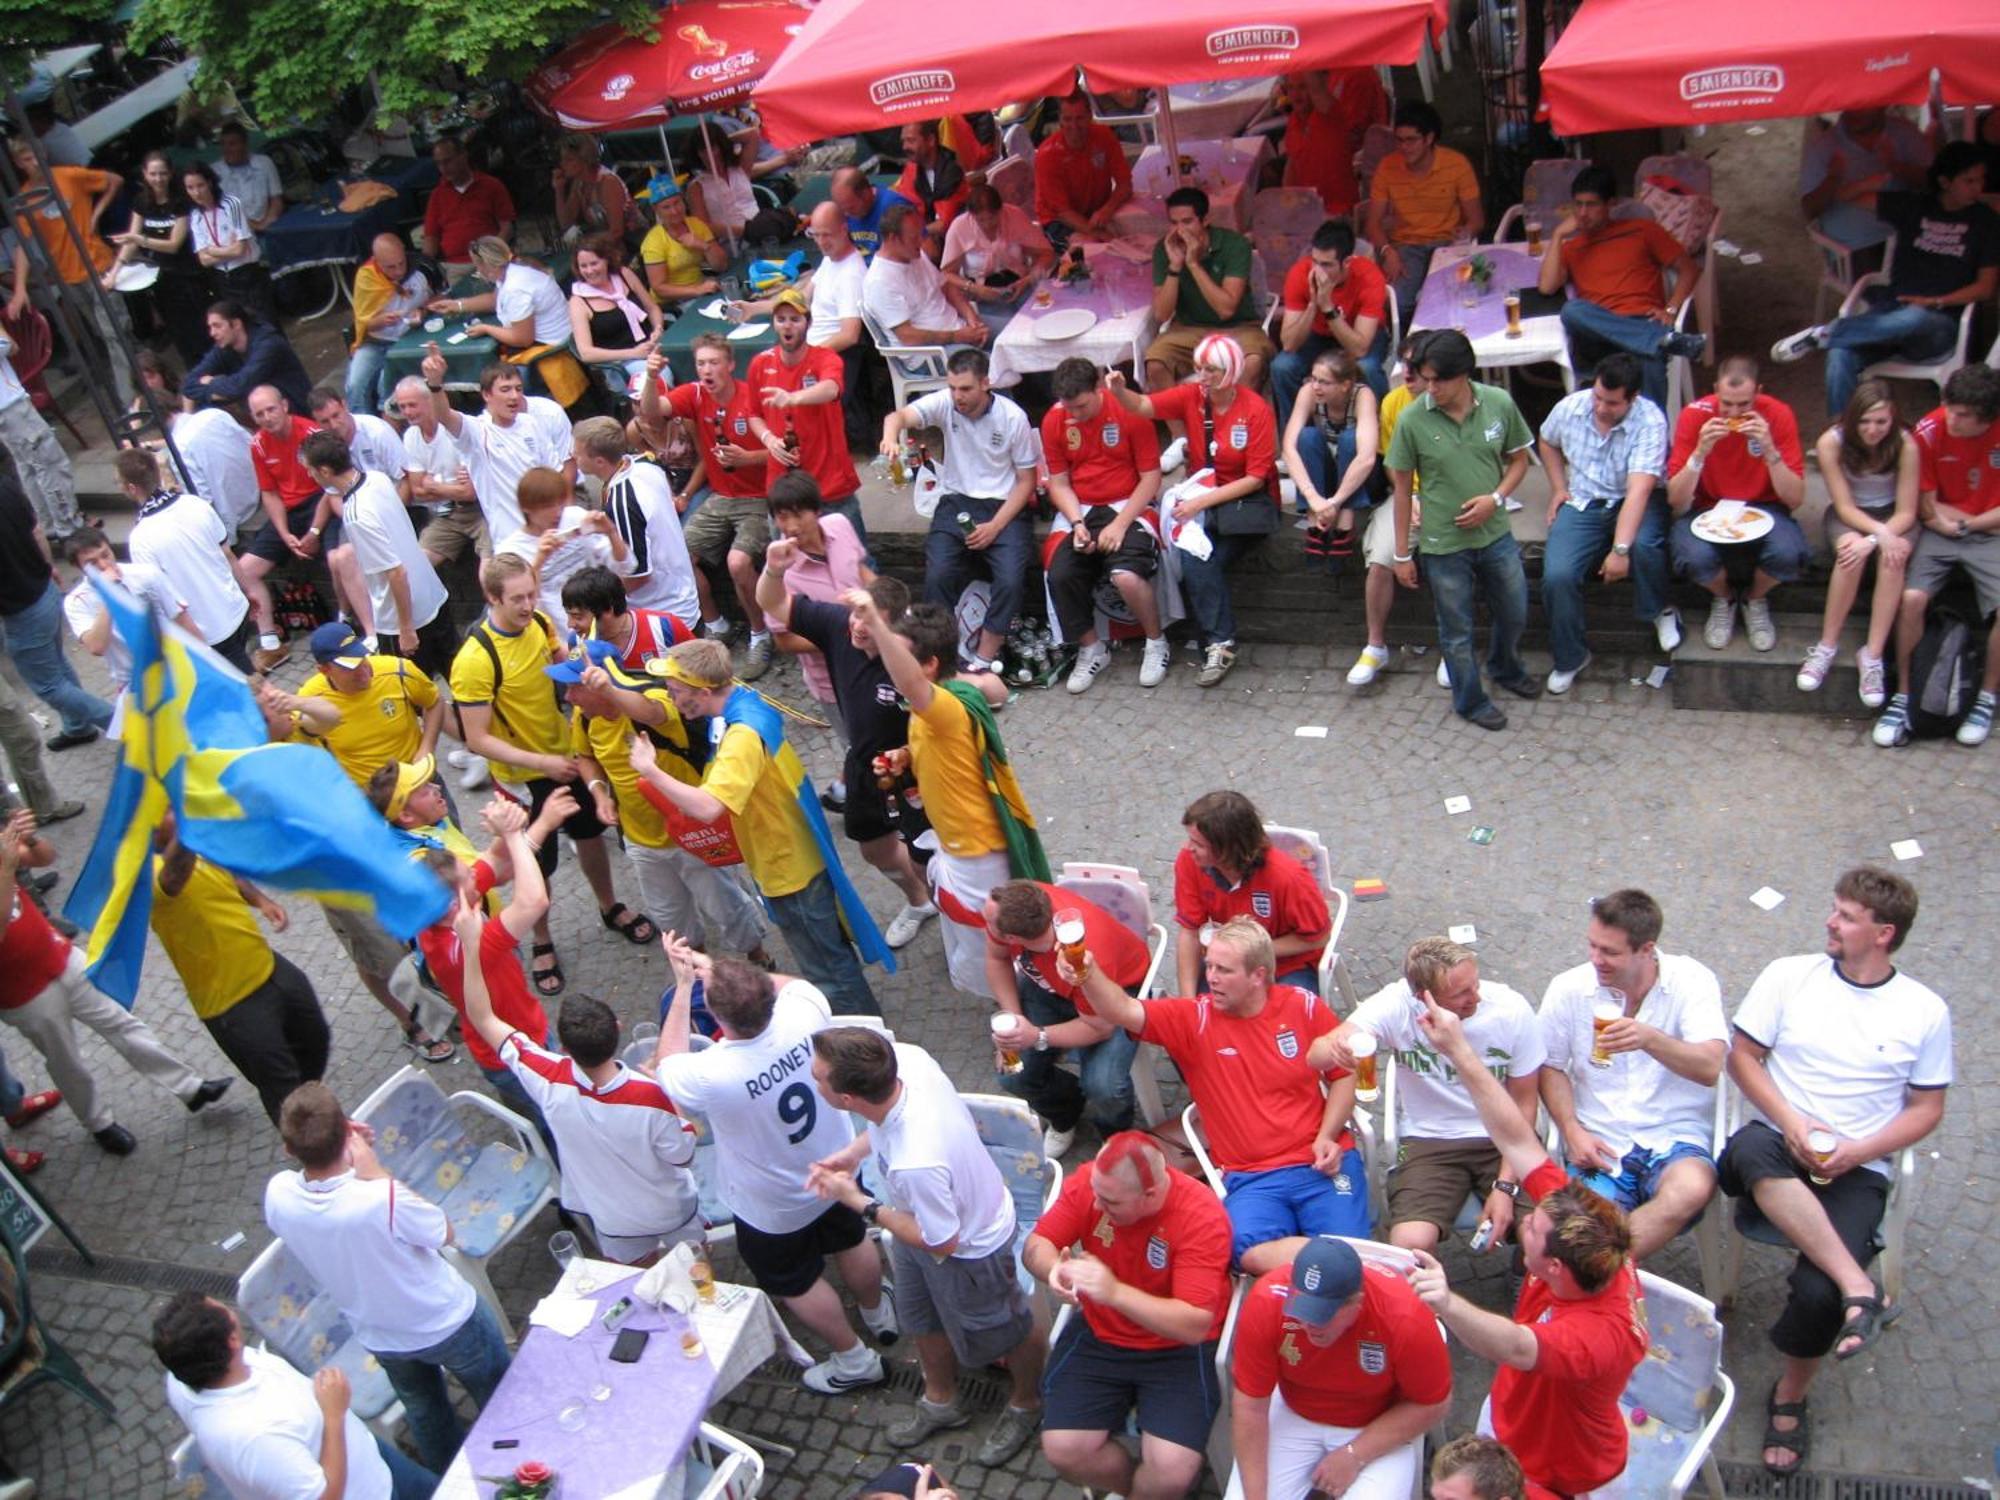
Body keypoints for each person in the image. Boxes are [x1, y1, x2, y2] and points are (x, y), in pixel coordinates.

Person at [1719, 867, 1950, 1476]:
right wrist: (1792, 1123)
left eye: (1846, 916)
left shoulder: (1924, 1010)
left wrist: (1858, 1148)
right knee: (1748, 1151)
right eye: (1835, 909)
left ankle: (1790, 1395)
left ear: (1883, 933)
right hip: (1777, 1139)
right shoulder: (1789, 975)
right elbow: (1742, 1057)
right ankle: (1860, 1285)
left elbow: (1928, 1107)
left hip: (1856, 1164)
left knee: (1817, 1293)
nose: (1830, 921)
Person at [1403, 994, 1647, 1500]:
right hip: (1512, 1424)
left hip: (1565, 1473)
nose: (1527, 1216)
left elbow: (1516, 1345)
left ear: (1554, 1267)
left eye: (1532, 1230)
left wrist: (1445, 1302)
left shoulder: (1599, 1337)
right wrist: (1458, 1050)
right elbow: (1516, 1137)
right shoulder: (1577, 1226)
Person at [652, 947, 898, 1392]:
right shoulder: (805, 1012)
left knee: (795, 1280)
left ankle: (853, 1358)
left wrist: (688, 984)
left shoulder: (712, 1072)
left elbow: (665, 1062)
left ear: (716, 1015)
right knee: (852, 1236)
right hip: (836, 1165)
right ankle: (877, 1310)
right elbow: (790, 985)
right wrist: (719, 971)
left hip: (772, 1203)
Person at [807, 1026, 1047, 1465]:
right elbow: (882, 1122)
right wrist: (854, 1154)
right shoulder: (905, 1061)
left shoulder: (917, 1161)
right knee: (921, 1317)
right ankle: (942, 1401)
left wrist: (857, 1201)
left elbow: (944, 1240)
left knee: (1012, 1327)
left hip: (970, 1248)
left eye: (819, 1076)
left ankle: (1026, 1403)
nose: (811, 1075)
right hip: (917, 1226)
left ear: (846, 1099)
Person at [1072, 917, 1367, 1270]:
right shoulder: (1193, 1020)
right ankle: (1327, 1262)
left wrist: (1328, 1135)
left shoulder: (1303, 1006)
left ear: (1258, 976)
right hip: (1252, 1179)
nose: (1210, 977)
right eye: (1208, 964)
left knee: (1347, 1255)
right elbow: (1121, 1009)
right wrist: (1087, 975)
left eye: (1224, 970)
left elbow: (1343, 1075)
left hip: (1321, 1164)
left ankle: (1326, 1265)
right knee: (1244, 1253)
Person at [265, 1081, 513, 1475]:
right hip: (447, 1321)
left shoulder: (278, 1195)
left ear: (289, 1149)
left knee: (426, 1413)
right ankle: (521, 1462)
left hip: (380, 1333)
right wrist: (375, 1173)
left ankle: (450, 1479)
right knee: (503, 1395)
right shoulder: (379, 1197)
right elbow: (443, 1231)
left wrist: (346, 1160)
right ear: (346, 1132)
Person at [640, 636, 885, 1014]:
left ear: (704, 693)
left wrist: (649, 770)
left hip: (787, 867)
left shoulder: (741, 738)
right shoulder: (741, 701)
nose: (670, 698)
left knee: (826, 968)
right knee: (830, 951)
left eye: (675, 690)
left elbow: (707, 807)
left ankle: (862, 1038)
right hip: (793, 852)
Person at [457, 888, 699, 1262]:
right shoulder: (651, 1096)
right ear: (618, 1028)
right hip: (669, 1211)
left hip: (610, 1216)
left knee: (641, 1275)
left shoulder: (544, 1075)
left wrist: (470, 948)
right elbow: (682, 1156)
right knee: (697, 1267)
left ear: (565, 1049)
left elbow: (482, 1017)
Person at [453, 552, 652, 971]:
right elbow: (477, 738)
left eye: (532, 594)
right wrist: (541, 763)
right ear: (491, 598)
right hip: (525, 775)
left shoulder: (540, 623)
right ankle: (542, 939)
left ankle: (608, 904)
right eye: (517, 599)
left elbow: (564, 667)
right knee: (535, 858)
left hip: (564, 756)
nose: (528, 605)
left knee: (590, 834)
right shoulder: (474, 660)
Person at [0, 807, 230, 1153]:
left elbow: (45, 857)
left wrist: (29, 839)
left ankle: (190, 1088)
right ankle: (98, 1123)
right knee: (66, 1060)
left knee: (121, 1021)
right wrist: (5, 866)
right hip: (23, 993)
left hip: (60, 957)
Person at [849, 591, 1045, 995]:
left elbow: (910, 685)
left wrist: (875, 620)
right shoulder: (939, 705)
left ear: (929, 665)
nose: (890, 667)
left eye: (899, 657)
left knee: (987, 949)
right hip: (954, 842)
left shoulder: (942, 708)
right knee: (968, 934)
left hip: (974, 853)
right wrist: (906, 755)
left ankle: (1016, 1014)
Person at [1024, 1133, 1233, 1499]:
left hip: (1177, 1350)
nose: (1099, 1205)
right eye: (1097, 1194)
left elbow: (1194, 1323)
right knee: (1063, 1450)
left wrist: (1115, 1293)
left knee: (1171, 1472)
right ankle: (1127, 1488)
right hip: (1101, 1334)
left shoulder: (1201, 1216)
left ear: (1151, 1194)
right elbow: (1037, 1245)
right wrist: (1051, 1270)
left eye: (1112, 1202)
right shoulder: (1094, 1184)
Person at [1317, 936, 1543, 1253]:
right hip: (1428, 1140)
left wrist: (1505, 1187)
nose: (1476, 997)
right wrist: (1336, 1049)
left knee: (1549, 1235)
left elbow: (1525, 1103)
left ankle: (1527, 1280)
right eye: (1461, 993)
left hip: (1503, 1135)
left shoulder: (1510, 1009)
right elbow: (1316, 1054)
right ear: (1424, 999)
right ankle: (1428, 1301)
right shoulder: (1397, 1003)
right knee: (1409, 1244)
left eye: (1475, 983)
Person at [753, 567, 940, 950]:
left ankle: (952, 904)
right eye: (857, 615)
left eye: (870, 621)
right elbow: (771, 602)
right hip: (865, 766)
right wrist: (773, 567)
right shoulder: (840, 625)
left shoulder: (914, 652)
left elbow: (951, 699)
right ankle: (921, 902)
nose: (858, 627)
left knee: (933, 850)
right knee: (875, 850)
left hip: (919, 771)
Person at [1539, 889, 1727, 1261]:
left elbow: (1709, 1067)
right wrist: (1572, 1130)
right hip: (1601, 1138)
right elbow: (1549, 1066)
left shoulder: (1690, 981)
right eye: (1592, 946)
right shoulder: (1570, 988)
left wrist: (1651, 1039)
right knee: (1574, 1227)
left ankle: (1600, 1270)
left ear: (1646, 949)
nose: (1596, 959)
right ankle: (1596, 1273)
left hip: (1673, 1135)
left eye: (1609, 952)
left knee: (1690, 1189)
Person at [554, 642, 771, 965]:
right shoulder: (586, 719)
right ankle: (698, 973)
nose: (568, 697)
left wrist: (611, 690)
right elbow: (585, 757)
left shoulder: (655, 701)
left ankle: (758, 959)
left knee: (727, 906)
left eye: (575, 688)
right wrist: (599, 792)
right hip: (642, 842)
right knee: (672, 917)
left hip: (695, 835)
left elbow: (651, 713)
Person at [1385, 328, 1539, 729]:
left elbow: (1520, 460)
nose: (1429, 387)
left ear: (1464, 374)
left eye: (1439, 379)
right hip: (1442, 542)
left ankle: (1505, 667)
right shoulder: (1412, 419)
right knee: (1455, 629)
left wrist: (1496, 498)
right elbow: (1402, 490)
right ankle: (1469, 700)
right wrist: (1402, 553)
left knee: (1515, 610)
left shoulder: (1499, 404)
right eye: (1425, 378)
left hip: (1496, 534)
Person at [1772, 144, 1996, 415]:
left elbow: (1985, 288)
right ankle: (1842, 437)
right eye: (1969, 181)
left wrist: (1935, 301)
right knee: (1841, 354)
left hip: (1937, 324)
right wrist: (1873, 180)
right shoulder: (1915, 206)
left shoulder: (1986, 222)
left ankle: (1824, 334)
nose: (1978, 188)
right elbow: (1845, 196)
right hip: (1888, 315)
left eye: (1981, 180)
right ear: (1945, 182)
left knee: (1914, 316)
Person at [1107, 335, 1279, 687]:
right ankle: (1218, 641)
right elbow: (1143, 407)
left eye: (1211, 370)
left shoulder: (1255, 410)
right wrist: (1120, 391)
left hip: (1240, 504)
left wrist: (1200, 503)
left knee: (1202, 557)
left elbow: (1255, 478)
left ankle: (1217, 641)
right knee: (1195, 555)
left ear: (1230, 371)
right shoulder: (1192, 398)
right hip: (1204, 497)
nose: (1202, 376)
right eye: (1199, 368)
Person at [1230, 1236, 1453, 1500]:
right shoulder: (1268, 1299)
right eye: (1302, 1308)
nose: (1309, 1323)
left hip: (1377, 1421)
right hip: (1294, 1410)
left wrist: (1355, 1454)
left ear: (1355, 1303)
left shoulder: (1405, 1316)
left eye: (1323, 1314)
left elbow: (1433, 1403)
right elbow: (1250, 1405)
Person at [154, 1292, 433, 1500]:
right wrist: (333, 1415)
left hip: (369, 1457)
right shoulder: (256, 1440)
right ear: (232, 1340)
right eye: (225, 1310)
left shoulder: (186, 1374)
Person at [149, 812, 329, 1126]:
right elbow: (175, 877)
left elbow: (227, 870)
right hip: (232, 1004)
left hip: (269, 967)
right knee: (281, 1089)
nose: (175, 813)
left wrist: (260, 901)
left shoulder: (195, 842)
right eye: (166, 811)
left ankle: (310, 1099)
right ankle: (312, 1145)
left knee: (316, 1037)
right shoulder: (143, 875)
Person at [407, 792, 570, 1131]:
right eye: (467, 876)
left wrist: (511, 824)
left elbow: (496, 860)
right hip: (515, 1052)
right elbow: (533, 901)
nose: (473, 871)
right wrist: (514, 835)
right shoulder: (466, 943)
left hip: (517, 1035)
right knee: (556, 1122)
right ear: (456, 902)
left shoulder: (437, 913)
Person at [882, 348, 1038, 671]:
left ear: (985, 383)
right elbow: (896, 417)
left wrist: (995, 526)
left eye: (965, 388)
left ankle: (983, 659)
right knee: (938, 575)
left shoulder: (1013, 418)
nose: (957, 396)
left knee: (1010, 580)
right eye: (952, 387)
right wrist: (890, 439)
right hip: (956, 500)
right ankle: (940, 654)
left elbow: (1026, 482)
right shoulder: (945, 403)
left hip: (1004, 505)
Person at [1874, 364, 2000, 748]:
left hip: (1985, 533)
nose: (1951, 418)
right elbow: (1927, 507)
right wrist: (1972, 522)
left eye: (1962, 414)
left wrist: (1972, 525)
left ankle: (1986, 698)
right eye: (1949, 407)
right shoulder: (1929, 431)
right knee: (1911, 599)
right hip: (1943, 530)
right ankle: (1903, 696)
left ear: (1986, 418)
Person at [1535, 352, 1676, 693]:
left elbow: (1640, 491)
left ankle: (1659, 610)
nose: (1601, 407)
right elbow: (1547, 441)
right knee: (1557, 575)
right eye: (1598, 396)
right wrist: (1558, 487)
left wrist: (1620, 550)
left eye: (1612, 403)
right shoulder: (1572, 407)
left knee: (1645, 544)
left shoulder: (1651, 421)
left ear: (1633, 398)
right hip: (1584, 500)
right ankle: (1571, 656)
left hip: (1633, 498)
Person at [981, 879, 1148, 1158]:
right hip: (1049, 987)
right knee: (1014, 1075)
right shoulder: (1015, 901)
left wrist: (1036, 1036)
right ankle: (1065, 1111)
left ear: (1013, 938)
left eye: (987, 921)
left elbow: (1100, 1028)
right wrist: (1014, 1017)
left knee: (1103, 1087)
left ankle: (1115, 1135)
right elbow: (996, 959)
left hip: (1117, 994)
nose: (982, 920)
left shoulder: (1081, 956)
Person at [1664, 356, 1810, 651]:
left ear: (1758, 392)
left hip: (1766, 506)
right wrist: (1700, 453)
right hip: (1709, 506)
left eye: (1744, 405)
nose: (1734, 413)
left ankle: (1754, 599)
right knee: (1690, 556)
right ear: (1716, 389)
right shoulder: (1695, 415)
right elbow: (1676, 500)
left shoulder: (1779, 415)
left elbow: (1794, 498)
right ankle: (1725, 598)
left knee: (1790, 554)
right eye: (1727, 403)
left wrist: (1769, 449)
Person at [1043, 356, 1168, 693]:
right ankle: (1090, 647)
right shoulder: (1055, 420)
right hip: (1081, 507)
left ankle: (1156, 642)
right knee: (1060, 573)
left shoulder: (1128, 410)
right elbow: (1059, 482)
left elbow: (1151, 478)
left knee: (1126, 575)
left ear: (1099, 389)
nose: (1075, 416)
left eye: (1082, 406)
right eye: (1069, 408)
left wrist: (1121, 524)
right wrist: (1077, 523)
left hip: (1128, 503)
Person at [1539, 165, 1706, 409]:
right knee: (1572, 311)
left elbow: (1689, 269)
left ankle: (1656, 444)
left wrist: (1671, 310)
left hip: (1644, 320)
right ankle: (1662, 340)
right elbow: (1546, 287)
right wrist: (1556, 236)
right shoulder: (1571, 247)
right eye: (1578, 205)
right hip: (1598, 334)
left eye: (1592, 204)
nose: (1583, 213)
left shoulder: (1642, 230)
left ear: (1611, 204)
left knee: (1648, 359)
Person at [656, 334, 776, 668]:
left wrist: (747, 458)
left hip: (758, 497)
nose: (707, 370)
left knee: (738, 563)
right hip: (721, 497)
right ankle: (716, 623)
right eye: (701, 363)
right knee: (678, 554)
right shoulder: (694, 394)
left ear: (730, 364)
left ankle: (760, 634)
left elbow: (786, 452)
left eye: (714, 362)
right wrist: (652, 378)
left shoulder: (752, 397)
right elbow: (653, 410)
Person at [1798, 379, 1919, 703]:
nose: (1872, 429)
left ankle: (1873, 653)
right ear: (1852, 419)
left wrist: (1883, 536)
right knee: (1851, 555)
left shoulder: (1906, 444)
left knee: (1894, 560)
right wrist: (1874, 536)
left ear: (1893, 419)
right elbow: (1844, 506)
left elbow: (1908, 511)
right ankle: (1827, 644)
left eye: (1881, 421)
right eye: (1864, 421)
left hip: (1894, 515)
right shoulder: (1831, 442)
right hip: (1852, 515)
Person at [302, 432, 454, 672]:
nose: (308, 475)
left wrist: (406, 630)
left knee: (414, 695)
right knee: (457, 681)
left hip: (401, 620)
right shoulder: (377, 478)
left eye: (310, 469)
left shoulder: (356, 515)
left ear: (324, 471)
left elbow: (396, 573)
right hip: (433, 596)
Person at [5, 136, 136, 405]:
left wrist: (96, 214)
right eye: (27, 160)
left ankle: (128, 398)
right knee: (106, 333)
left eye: (36, 157)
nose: (34, 164)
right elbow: (23, 245)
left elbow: (114, 180)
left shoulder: (69, 176)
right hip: (69, 276)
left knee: (113, 333)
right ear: (19, 164)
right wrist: (19, 289)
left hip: (98, 265)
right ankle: (144, 375)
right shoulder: (28, 197)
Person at [1171, 790, 1330, 995]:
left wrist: (1250, 952)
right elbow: (1190, 933)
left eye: (1199, 844)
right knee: (1208, 1020)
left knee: (1282, 1022)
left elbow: (1319, 938)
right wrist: (1188, 1003)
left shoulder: (1289, 878)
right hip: (1226, 963)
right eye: (1190, 839)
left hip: (1288, 967)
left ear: (1228, 849)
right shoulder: (1189, 861)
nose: (1188, 848)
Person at [116, 447, 256, 671]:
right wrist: (249, 591)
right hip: (234, 608)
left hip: (205, 632)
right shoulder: (195, 504)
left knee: (250, 692)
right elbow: (227, 554)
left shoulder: (140, 538)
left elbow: (163, 597)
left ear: (132, 488)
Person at [0, 473, 112, 747]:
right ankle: (78, 726)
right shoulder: (4, 483)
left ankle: (123, 723)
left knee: (49, 685)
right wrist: (48, 567)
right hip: (44, 589)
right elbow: (36, 530)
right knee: (57, 664)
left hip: (20, 611)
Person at [1346, 334, 1432, 687]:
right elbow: (1391, 464)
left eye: (1416, 367)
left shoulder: (1460, 403)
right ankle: (1375, 646)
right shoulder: (1394, 402)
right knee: (1380, 559)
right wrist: (1408, 495)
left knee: (1454, 561)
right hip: (1404, 497)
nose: (1406, 374)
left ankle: (1458, 649)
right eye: (1404, 365)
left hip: (1450, 501)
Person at [747, 287, 865, 541]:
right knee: (787, 562)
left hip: (829, 482)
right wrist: (768, 439)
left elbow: (831, 388)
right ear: (774, 324)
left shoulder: (825, 358)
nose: (788, 326)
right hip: (783, 485)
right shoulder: (760, 364)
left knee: (856, 560)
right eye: (781, 319)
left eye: (795, 319)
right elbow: (753, 414)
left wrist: (793, 397)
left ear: (807, 323)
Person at [757, 472, 871, 720]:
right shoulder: (779, 572)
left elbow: (860, 570)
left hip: (877, 659)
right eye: (783, 517)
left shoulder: (840, 524)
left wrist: (888, 603)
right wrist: (843, 635)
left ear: (817, 510)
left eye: (799, 515)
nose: (792, 527)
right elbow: (784, 641)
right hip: (836, 682)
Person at [572, 416, 700, 626]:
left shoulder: (623, 503)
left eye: (578, 454)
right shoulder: (645, 462)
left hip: (663, 615)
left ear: (599, 461)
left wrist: (595, 604)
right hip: (683, 596)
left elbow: (638, 575)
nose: (573, 456)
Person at [1143, 186, 1274, 392]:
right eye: (1174, 223)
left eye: (1187, 222)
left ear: (1205, 220)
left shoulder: (1234, 244)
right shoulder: (1164, 248)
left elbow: (1226, 309)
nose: (1180, 230)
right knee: (1156, 364)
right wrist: (1175, 266)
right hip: (1187, 329)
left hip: (1238, 327)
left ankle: (1236, 422)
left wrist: (1193, 264)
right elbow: (1161, 314)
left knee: (1252, 363)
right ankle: (1182, 424)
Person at [1363, 101, 1484, 311]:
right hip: (1407, 247)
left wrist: (1463, 236)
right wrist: (1387, 251)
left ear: (1429, 138)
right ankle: (1407, 342)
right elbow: (1373, 223)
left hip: (1448, 244)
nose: (1404, 147)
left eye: (1411, 140)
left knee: (1459, 299)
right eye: (1399, 140)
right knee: (1396, 303)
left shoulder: (1456, 164)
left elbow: (1477, 221)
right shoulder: (1387, 167)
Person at [1274, 217, 1391, 428]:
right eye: (1315, 261)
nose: (1318, 271)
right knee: (1282, 367)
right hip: (1317, 335)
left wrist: (1327, 307)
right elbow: (1289, 343)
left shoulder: (1369, 277)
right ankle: (1298, 436)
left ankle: (1378, 437)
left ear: (1347, 262)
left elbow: (1360, 348)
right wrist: (1313, 304)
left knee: (1368, 368)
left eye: (1326, 265)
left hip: (1358, 336)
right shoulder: (1300, 273)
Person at [62, 529, 197, 706]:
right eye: (92, 563)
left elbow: (181, 619)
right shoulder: (77, 601)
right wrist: (109, 595)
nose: (104, 565)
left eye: (105, 555)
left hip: (174, 667)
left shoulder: (146, 574)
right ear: (79, 568)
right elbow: (96, 646)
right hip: (133, 683)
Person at [102, 149, 207, 366]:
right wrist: (114, 273)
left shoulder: (180, 201)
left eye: (163, 174)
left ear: (170, 174)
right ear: (144, 174)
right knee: (179, 331)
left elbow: (174, 245)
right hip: (162, 278)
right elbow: (131, 241)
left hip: (190, 273)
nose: (158, 179)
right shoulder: (141, 202)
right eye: (153, 174)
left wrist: (140, 240)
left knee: (201, 326)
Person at [494, 463, 631, 622]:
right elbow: (526, 610)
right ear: (527, 508)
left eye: (560, 503)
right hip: (562, 635)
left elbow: (625, 567)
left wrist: (611, 532)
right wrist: (538, 563)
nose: (557, 512)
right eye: (548, 506)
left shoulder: (575, 517)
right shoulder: (511, 551)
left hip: (604, 623)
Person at [1283, 348, 1381, 563]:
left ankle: (1345, 523)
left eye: (1324, 382)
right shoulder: (1308, 392)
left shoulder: (1363, 395)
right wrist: (1314, 499)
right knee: (1306, 437)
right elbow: (1288, 449)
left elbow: (1366, 457)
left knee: (1350, 439)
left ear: (1345, 385)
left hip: (1359, 479)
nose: (1316, 386)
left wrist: (1335, 503)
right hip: (1324, 478)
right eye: (1314, 379)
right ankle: (1314, 522)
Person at [1799, 108, 1934, 260]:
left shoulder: (1904, 132)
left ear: (1882, 103)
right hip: (1856, 248)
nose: (1853, 112)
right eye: (1851, 104)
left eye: (1863, 106)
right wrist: (1833, 178)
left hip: (1908, 238)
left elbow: (1934, 184)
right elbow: (1809, 210)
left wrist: (1896, 166)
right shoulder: (1823, 147)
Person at [863, 201, 987, 355]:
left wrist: (971, 317)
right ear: (893, 239)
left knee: (1013, 337)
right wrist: (956, 337)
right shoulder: (880, 281)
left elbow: (946, 287)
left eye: (920, 235)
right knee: (993, 369)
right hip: (932, 353)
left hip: (959, 329)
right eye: (914, 238)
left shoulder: (917, 256)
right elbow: (907, 336)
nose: (921, 242)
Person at [394, 373, 482, 565]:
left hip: (480, 512)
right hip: (447, 515)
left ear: (429, 401)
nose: (407, 412)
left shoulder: (454, 430)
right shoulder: (410, 436)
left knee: (491, 571)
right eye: (402, 407)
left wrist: (434, 485)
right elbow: (417, 490)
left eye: (412, 404)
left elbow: (469, 493)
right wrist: (451, 488)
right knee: (416, 566)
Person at [0, 327, 78, 542]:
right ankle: (67, 524)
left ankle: (50, 524)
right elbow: (9, 346)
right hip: (11, 407)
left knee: (29, 466)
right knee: (48, 462)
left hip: (7, 408)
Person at [940, 183, 1055, 324]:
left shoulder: (1014, 215)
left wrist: (1028, 280)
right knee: (1011, 326)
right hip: (984, 294)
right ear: (971, 215)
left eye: (992, 218)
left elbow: (1046, 254)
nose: (987, 224)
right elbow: (946, 274)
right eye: (981, 220)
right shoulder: (959, 227)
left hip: (1020, 284)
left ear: (1001, 209)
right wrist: (975, 289)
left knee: (1044, 318)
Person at [345, 232, 433, 416]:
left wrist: (423, 312)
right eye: (390, 267)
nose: (399, 271)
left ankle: (388, 428)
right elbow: (363, 323)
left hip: (408, 341)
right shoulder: (367, 277)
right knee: (354, 385)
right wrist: (379, 322)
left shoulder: (420, 269)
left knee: (385, 386)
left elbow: (439, 299)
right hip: (375, 342)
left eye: (401, 263)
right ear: (377, 261)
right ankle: (364, 430)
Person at [1282, 68, 1387, 217]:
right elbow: (1292, 163)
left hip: (1338, 211)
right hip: (1307, 209)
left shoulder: (1330, 114)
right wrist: (1286, 203)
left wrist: (1301, 53)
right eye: (1291, 88)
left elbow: (1318, 90)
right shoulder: (1294, 120)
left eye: (1302, 87)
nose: (1295, 95)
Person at [182, 161, 274, 326]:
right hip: (223, 279)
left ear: (209, 182)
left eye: (200, 185)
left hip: (247, 273)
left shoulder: (231, 205)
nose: (196, 192)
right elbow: (203, 260)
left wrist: (212, 250)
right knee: (240, 327)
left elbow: (240, 249)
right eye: (190, 188)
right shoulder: (196, 216)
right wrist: (225, 250)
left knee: (265, 322)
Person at [1035, 92, 1134, 245]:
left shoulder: (1104, 135)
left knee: (1142, 224)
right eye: (1068, 119)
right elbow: (1062, 212)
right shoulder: (1047, 155)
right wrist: (1100, 234)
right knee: (1091, 247)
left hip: (1097, 211)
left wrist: (1107, 209)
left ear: (1090, 116)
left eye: (1079, 118)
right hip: (1059, 221)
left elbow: (1125, 185)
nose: (1074, 126)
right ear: (1060, 121)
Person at [453, 237, 573, 362]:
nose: (477, 269)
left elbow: (523, 339)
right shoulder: (512, 269)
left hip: (552, 351)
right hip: (561, 338)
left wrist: (486, 328)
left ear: (486, 264)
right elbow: (495, 300)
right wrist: (456, 305)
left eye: (476, 264)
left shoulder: (514, 289)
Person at [182, 298, 310, 413]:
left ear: (236, 324)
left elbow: (240, 386)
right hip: (262, 413)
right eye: (210, 327)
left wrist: (212, 382)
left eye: (217, 326)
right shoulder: (223, 348)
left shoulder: (268, 344)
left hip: (296, 408)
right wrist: (214, 393)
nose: (212, 333)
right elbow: (188, 384)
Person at [568, 231, 660, 385]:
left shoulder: (624, 275)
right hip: (621, 363)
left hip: (652, 346)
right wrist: (633, 353)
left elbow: (652, 308)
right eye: (583, 266)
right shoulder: (578, 302)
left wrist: (658, 329)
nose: (589, 271)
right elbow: (586, 353)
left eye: (594, 263)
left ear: (607, 260)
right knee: (658, 378)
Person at [423, 134, 515, 266]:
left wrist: (493, 255)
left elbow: (507, 227)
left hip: (490, 260)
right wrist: (425, 267)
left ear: (463, 156)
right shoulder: (437, 195)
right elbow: (431, 237)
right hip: (454, 265)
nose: (443, 168)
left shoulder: (491, 185)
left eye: (448, 161)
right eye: (439, 163)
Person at [639, 175, 727, 305]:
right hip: (672, 304)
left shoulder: (696, 225)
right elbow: (659, 288)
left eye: (677, 203)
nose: (674, 211)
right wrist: (696, 290)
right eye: (666, 207)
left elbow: (722, 266)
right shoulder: (653, 241)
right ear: (656, 210)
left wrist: (704, 246)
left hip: (700, 292)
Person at [551, 130, 636, 242]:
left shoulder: (608, 182)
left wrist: (584, 240)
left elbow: (617, 232)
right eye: (562, 159)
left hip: (631, 243)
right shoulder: (579, 183)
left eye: (569, 159)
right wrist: (559, 190)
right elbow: (566, 223)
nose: (563, 164)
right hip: (604, 245)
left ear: (585, 159)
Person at [212, 122, 285, 235]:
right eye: (223, 144)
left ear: (244, 144)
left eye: (232, 144)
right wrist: (252, 226)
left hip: (266, 226)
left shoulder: (264, 163)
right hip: (233, 232)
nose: (227, 149)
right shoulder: (214, 171)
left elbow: (276, 199)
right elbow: (217, 210)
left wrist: (265, 224)